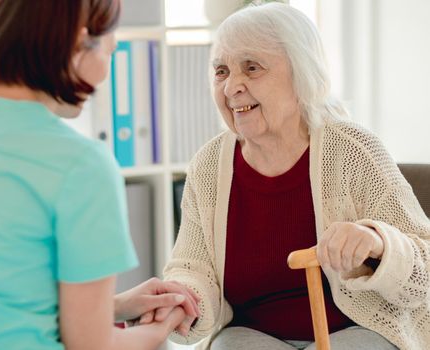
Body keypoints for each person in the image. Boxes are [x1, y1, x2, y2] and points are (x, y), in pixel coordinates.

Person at [162, 3, 430, 350]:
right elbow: (193, 269)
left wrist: (378, 244)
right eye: (221, 71)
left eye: (252, 68)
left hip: (358, 331)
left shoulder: (353, 150)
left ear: (302, 75)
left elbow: (425, 271)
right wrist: (182, 299)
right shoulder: (209, 166)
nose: (231, 87)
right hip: (251, 336)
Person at [0, 1, 199, 349]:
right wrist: (164, 327)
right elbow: (91, 345)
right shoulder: (80, 166)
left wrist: (116, 305)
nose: (104, 74)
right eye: (110, 52)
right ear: (78, 44)